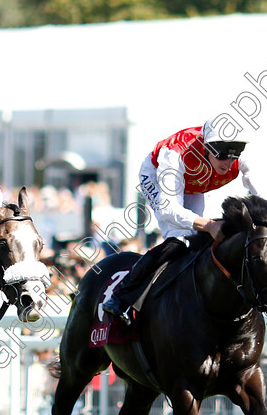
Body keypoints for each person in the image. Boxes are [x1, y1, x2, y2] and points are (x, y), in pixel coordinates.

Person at [103, 117, 258, 324]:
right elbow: (169, 209)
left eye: (234, 155)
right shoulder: (175, 153)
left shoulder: (234, 153)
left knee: (200, 239)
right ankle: (122, 296)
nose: (229, 163)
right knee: (180, 239)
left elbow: (258, 185)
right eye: (222, 155)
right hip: (160, 179)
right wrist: (209, 225)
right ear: (206, 147)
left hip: (194, 182)